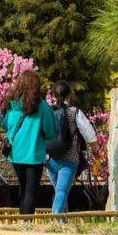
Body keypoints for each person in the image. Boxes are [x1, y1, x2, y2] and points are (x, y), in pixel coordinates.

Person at [1, 70, 57, 215]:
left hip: (16, 153)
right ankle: (26, 224)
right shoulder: (42, 106)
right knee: (31, 190)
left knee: (23, 186)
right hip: (34, 153)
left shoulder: (13, 104)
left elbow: (5, 124)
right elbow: (51, 131)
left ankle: (22, 219)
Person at [46, 80, 98, 214]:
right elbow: (90, 134)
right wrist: (96, 150)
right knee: (62, 191)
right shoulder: (75, 112)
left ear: (53, 95)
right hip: (70, 159)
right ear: (68, 96)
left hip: (51, 159)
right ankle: (56, 221)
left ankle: (62, 223)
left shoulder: (47, 112)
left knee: (59, 192)